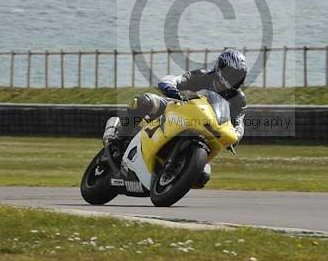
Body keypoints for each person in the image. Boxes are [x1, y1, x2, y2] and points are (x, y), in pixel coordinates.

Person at [104, 48, 248, 187]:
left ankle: (173, 173)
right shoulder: (203, 75)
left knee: (203, 176)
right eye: (231, 74)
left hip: (206, 128)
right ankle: (118, 139)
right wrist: (170, 87)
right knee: (143, 102)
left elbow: (239, 122)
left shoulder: (238, 99)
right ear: (220, 67)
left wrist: (236, 136)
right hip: (178, 108)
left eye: (238, 76)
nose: (234, 79)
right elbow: (175, 79)